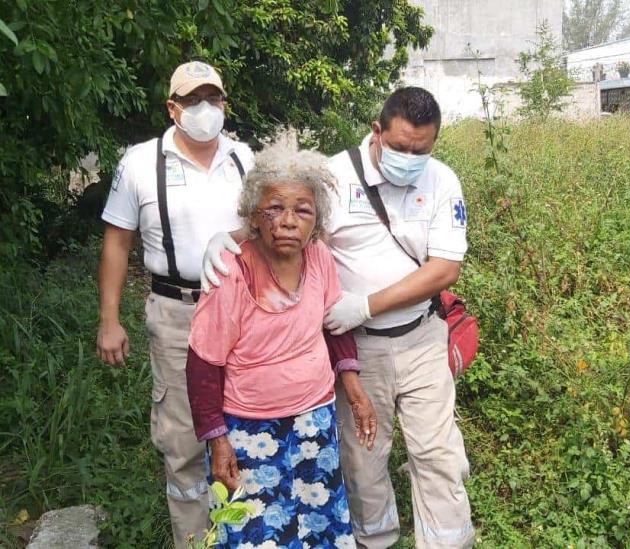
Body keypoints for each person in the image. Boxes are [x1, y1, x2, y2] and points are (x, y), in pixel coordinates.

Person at [202, 87, 475, 548]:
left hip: (421, 338)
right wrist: (228, 237)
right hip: (359, 346)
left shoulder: (441, 181)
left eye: (421, 150)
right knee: (364, 458)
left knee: (440, 455)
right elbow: (286, 220)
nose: (410, 158)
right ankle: (377, 541)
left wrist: (366, 304)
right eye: (401, 147)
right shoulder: (332, 175)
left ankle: (449, 542)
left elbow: (445, 268)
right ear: (377, 131)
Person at [186, 136, 377, 548]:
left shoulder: (321, 257)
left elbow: (333, 325)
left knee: (317, 528)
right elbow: (203, 363)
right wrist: (218, 440)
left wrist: (354, 388)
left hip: (314, 419)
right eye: (274, 208)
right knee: (255, 534)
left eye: (302, 210)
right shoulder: (230, 271)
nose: (288, 221)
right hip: (247, 429)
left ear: (317, 220)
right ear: (254, 216)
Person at [96, 61, 255, 547]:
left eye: (214, 99)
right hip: (176, 311)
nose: (205, 110)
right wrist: (109, 320)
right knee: (184, 439)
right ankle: (193, 539)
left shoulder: (244, 157)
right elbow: (117, 243)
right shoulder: (141, 162)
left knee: (246, 427)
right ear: (172, 108)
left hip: (242, 309)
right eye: (193, 101)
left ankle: (244, 532)